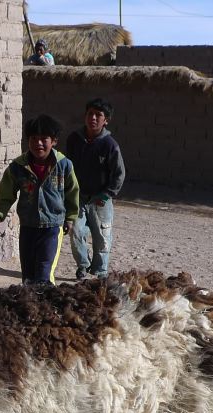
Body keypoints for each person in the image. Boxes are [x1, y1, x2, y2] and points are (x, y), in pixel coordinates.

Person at [0, 114, 79, 286]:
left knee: (44, 274)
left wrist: (71, 218)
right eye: (33, 139)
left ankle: (47, 309)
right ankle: (30, 310)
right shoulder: (18, 167)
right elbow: (4, 195)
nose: (38, 143)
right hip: (28, 227)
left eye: (44, 139)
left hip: (52, 228)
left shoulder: (64, 165)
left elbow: (72, 193)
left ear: (54, 141)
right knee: (28, 276)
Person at [65, 97, 125, 279]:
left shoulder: (110, 145)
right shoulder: (74, 139)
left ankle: (100, 271)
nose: (93, 118)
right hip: (78, 197)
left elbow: (119, 174)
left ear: (105, 120)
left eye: (98, 115)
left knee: (102, 237)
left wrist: (106, 195)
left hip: (101, 198)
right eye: (90, 113)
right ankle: (83, 266)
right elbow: (67, 168)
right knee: (75, 231)